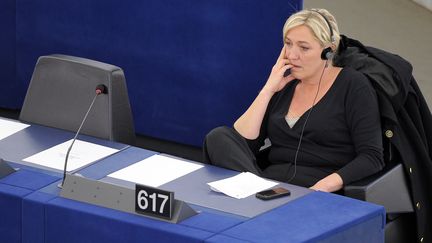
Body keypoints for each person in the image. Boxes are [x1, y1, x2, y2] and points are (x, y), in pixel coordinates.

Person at [203, 8, 384, 192]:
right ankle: (259, 196)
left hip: (316, 188)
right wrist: (268, 90)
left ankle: (257, 200)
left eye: (303, 47)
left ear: (328, 52)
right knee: (218, 137)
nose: (292, 55)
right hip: (271, 186)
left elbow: (372, 157)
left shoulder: (353, 85)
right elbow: (244, 143)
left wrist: (320, 188)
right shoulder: (285, 85)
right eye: (288, 44)